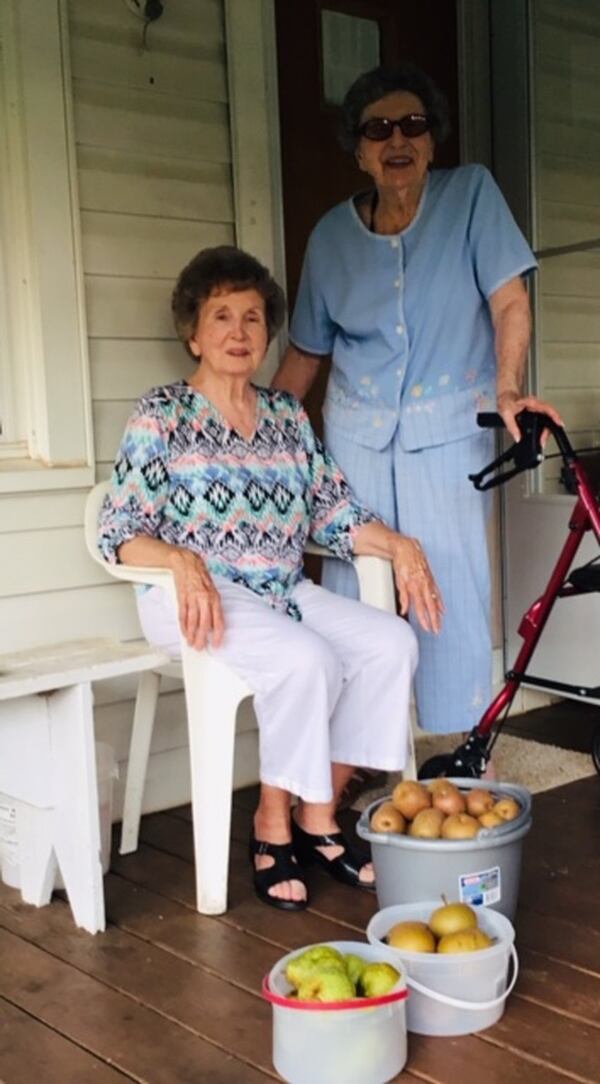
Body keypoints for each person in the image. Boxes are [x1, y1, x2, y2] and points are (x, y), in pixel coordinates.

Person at [98, 245, 442, 911]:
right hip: (194, 600)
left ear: (267, 334)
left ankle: (319, 810)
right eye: (220, 316)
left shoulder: (285, 417)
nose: (237, 332)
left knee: (390, 645)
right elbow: (121, 528)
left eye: (252, 318)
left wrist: (399, 545)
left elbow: (332, 509)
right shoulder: (161, 413)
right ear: (193, 333)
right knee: (307, 659)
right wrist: (179, 561)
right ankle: (272, 823)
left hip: (280, 593)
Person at [274, 62, 562, 744]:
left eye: (413, 125)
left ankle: (463, 751)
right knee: (354, 590)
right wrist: (258, 434)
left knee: (450, 591)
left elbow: (509, 301)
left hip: (446, 435)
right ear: (358, 148)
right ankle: (356, 757)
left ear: (434, 140)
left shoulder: (472, 197)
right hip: (355, 438)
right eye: (378, 128)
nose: (396, 140)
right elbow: (307, 355)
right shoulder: (329, 237)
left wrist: (510, 388)